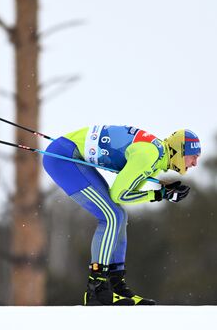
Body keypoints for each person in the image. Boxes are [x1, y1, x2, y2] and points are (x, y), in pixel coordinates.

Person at [43, 125, 201, 305]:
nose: (195, 163)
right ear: (180, 151)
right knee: (111, 216)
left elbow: (129, 192)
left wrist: (162, 189)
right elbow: (119, 194)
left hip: (69, 153)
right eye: (193, 157)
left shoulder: (157, 157)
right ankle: (96, 289)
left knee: (118, 215)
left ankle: (116, 286)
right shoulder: (149, 155)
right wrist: (159, 195)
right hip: (63, 159)